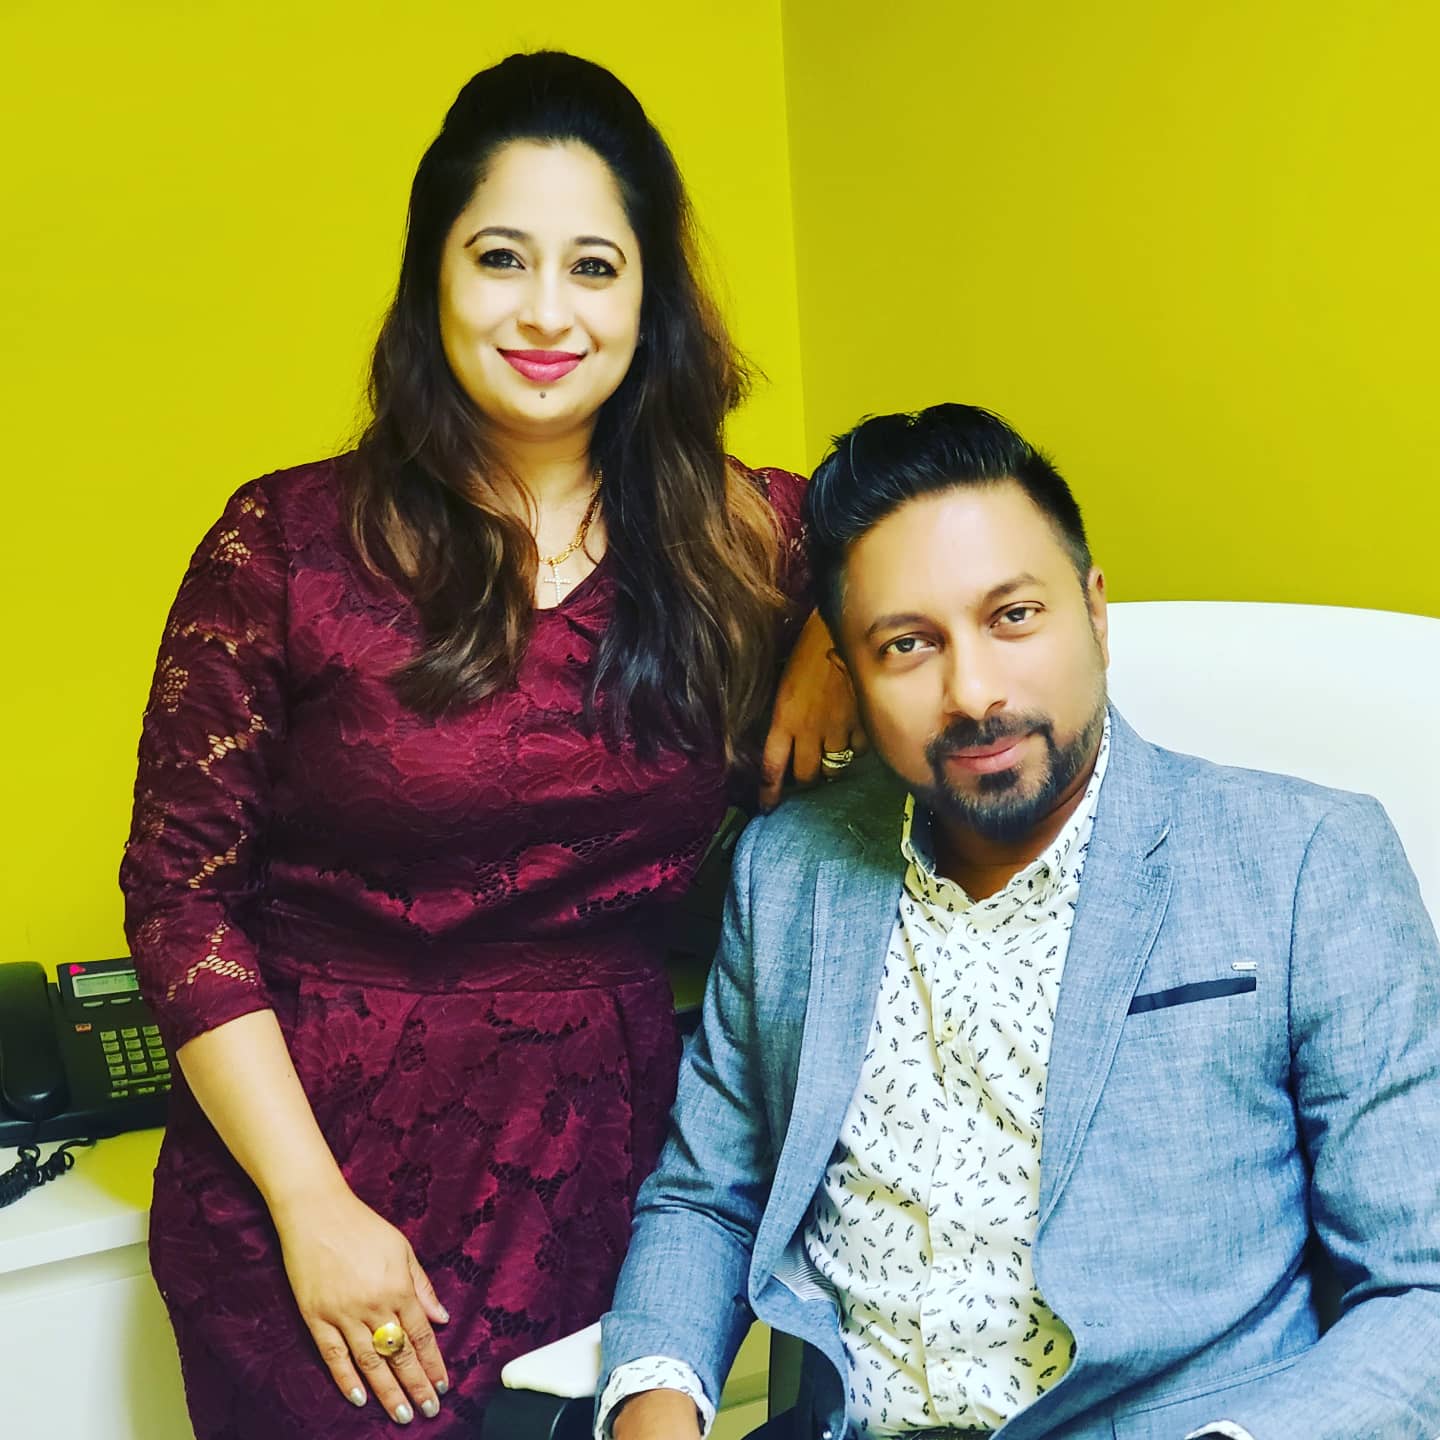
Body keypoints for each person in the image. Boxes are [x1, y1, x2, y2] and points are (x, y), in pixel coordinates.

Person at [120, 51, 861, 1440]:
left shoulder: (742, 536)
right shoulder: (281, 543)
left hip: (617, 1176)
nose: (545, 312)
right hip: (312, 1178)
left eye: (595, 268)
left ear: (650, 299)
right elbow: (178, 898)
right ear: (433, 277)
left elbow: (953, 522)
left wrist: (829, 629)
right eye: (501, 258)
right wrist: (310, 1207)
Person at [598, 404, 1440, 1440]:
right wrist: (654, 1402)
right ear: (852, 677)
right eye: (908, 644)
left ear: (1095, 611)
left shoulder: (1307, 862)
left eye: (1013, 617)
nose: (973, 692)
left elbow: (1423, 1289)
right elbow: (706, 1200)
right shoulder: (789, 875)